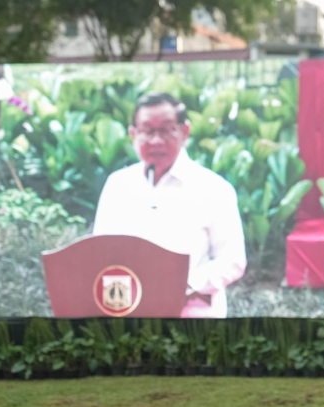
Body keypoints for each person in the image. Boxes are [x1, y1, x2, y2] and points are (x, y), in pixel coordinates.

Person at [93, 92, 246, 318]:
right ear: (133, 134)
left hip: (192, 316)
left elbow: (232, 260)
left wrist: (182, 285)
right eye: (147, 131)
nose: (156, 140)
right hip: (127, 314)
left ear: (185, 132)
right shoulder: (117, 185)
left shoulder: (214, 189)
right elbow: (99, 251)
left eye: (165, 130)